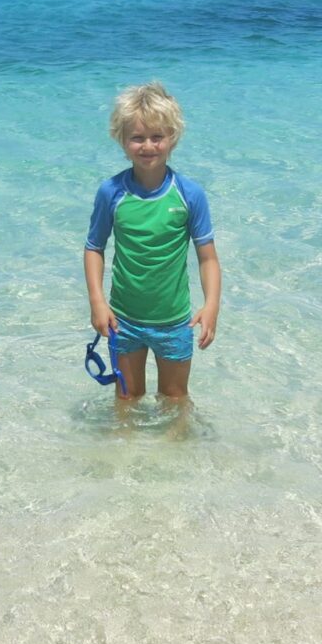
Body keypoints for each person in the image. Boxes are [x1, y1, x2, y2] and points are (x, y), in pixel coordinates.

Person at [83, 82, 220, 407]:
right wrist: (97, 302)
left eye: (157, 137)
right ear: (121, 139)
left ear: (173, 138)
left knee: (174, 398)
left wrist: (211, 305)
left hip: (174, 321)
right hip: (124, 318)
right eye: (137, 138)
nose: (147, 146)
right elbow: (94, 248)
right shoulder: (111, 193)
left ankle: (175, 454)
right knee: (127, 396)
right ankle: (123, 454)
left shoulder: (189, 195)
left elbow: (208, 259)